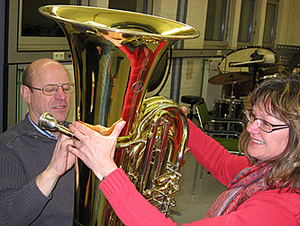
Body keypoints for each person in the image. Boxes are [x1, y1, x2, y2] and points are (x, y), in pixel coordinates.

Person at [68, 74, 300, 225]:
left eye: (266, 123)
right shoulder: (270, 171)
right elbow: (223, 163)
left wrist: (107, 169)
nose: (250, 128)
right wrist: (180, 124)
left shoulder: (279, 210)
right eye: (252, 116)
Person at [0, 58, 76, 226]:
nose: (62, 96)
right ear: (27, 94)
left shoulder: (82, 135)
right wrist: (52, 172)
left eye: (66, 88)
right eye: (50, 90)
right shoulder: (8, 147)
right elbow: (6, 218)